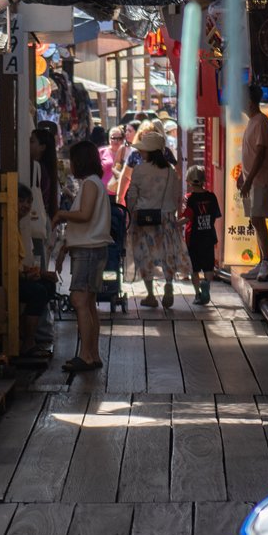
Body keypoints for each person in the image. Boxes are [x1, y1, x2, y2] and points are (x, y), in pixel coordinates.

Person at [52, 138, 111, 373]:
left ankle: (86, 355)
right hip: (93, 248)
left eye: (71, 161)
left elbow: (84, 215)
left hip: (88, 250)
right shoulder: (96, 183)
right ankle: (92, 354)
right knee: (88, 304)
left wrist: (61, 214)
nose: (70, 165)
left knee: (79, 301)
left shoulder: (89, 184)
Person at [123, 122, 186, 310]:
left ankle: (150, 295)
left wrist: (132, 212)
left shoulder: (140, 170)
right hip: (166, 218)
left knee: (145, 256)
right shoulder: (170, 172)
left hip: (143, 218)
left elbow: (132, 195)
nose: (141, 153)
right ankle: (168, 284)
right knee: (168, 254)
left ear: (149, 151)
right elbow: (176, 197)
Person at [234, 88, 268, 279]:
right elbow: (252, 154)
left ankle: (267, 263)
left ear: (250, 102)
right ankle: (262, 261)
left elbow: (261, 154)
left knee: (258, 218)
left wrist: (250, 179)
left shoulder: (261, 122)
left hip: (261, 181)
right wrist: (243, 177)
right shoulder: (253, 123)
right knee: (255, 220)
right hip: (252, 181)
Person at [14, 183, 56, 364]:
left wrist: (37, 273)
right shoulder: (4, 225)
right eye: (21, 201)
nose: (25, 206)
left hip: (16, 276)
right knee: (37, 291)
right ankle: (28, 343)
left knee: (48, 285)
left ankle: (29, 337)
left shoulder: (17, 225)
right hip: (5, 279)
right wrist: (24, 276)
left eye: (29, 202)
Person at [184, 166, 223, 306]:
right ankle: (206, 284)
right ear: (203, 180)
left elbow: (187, 218)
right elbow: (216, 215)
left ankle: (197, 294)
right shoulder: (211, 197)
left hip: (193, 238)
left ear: (188, 181)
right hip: (208, 236)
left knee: (194, 268)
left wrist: (174, 224)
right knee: (208, 266)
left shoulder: (189, 198)